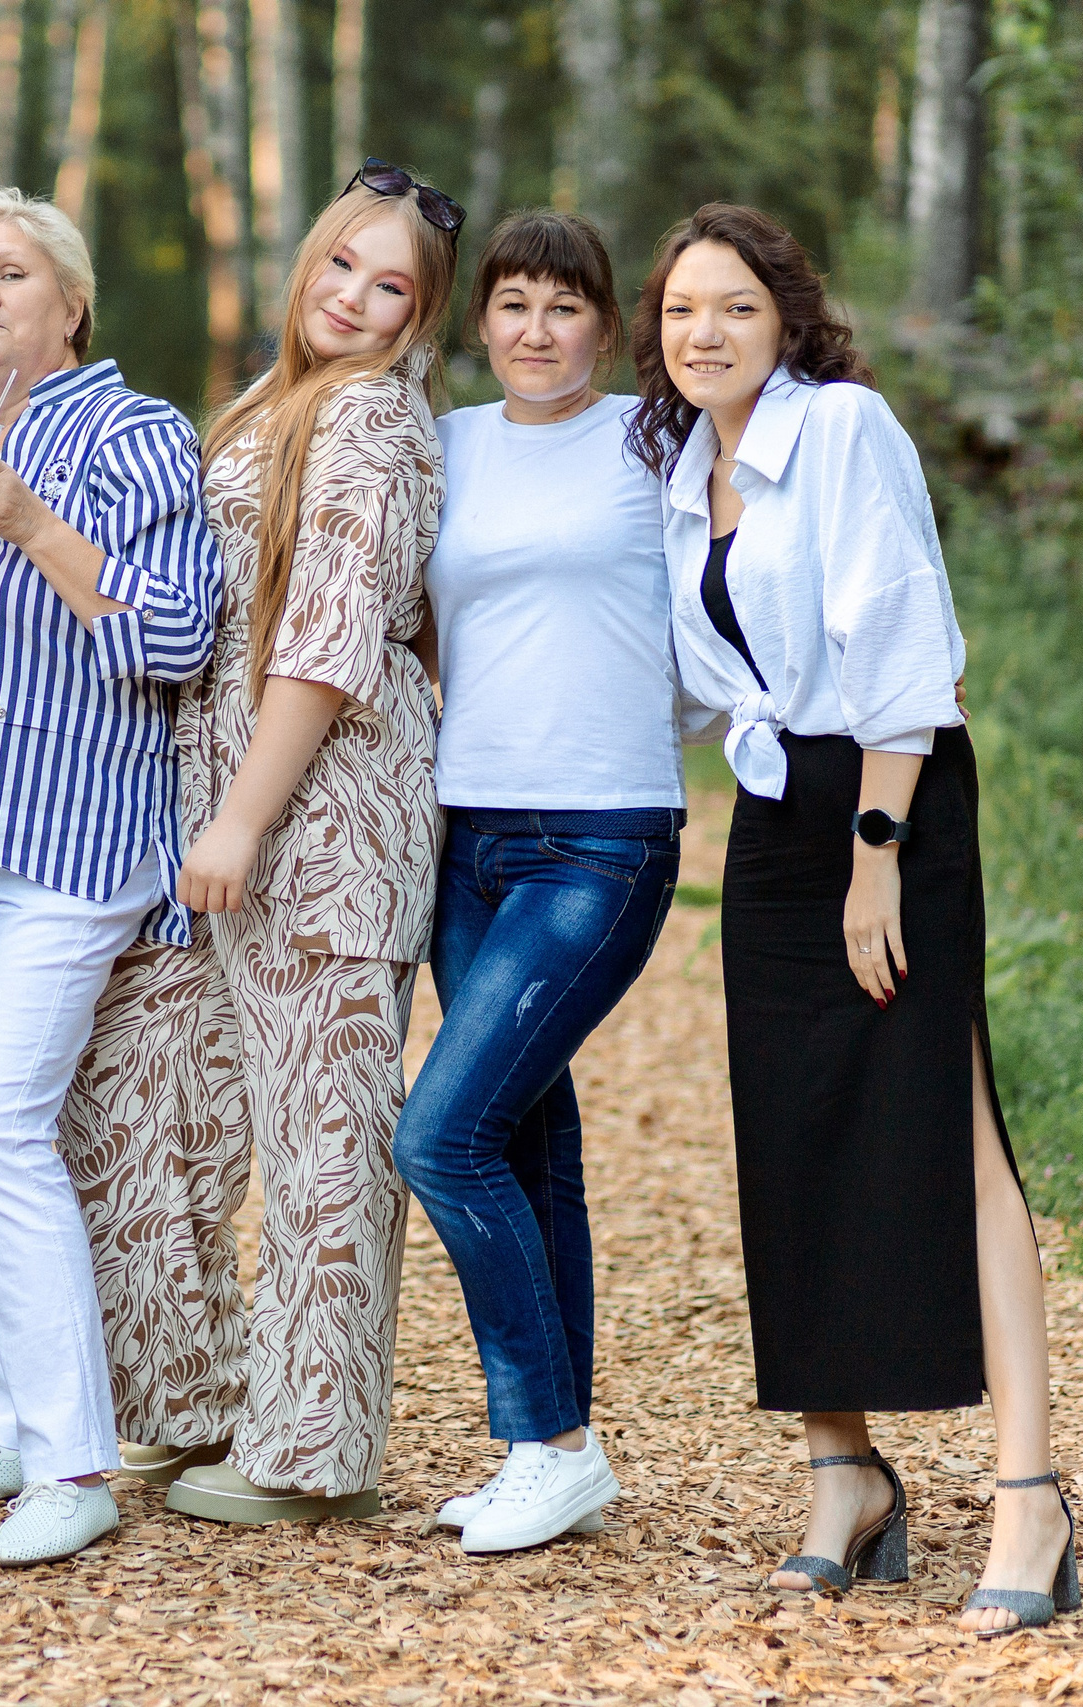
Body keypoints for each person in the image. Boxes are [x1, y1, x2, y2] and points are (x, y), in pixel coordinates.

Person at [636, 202, 1075, 1635]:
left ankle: (1029, 1498)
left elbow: (900, 642)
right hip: (775, 814)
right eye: (682, 309)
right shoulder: (680, 469)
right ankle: (846, 1477)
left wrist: (876, 855)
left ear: (788, 320)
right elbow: (693, 680)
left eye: (735, 308)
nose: (704, 333)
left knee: (952, 1127)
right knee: (794, 1133)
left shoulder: (840, 430)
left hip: (890, 797)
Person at [57, 160, 460, 1526]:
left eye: (389, 286)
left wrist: (242, 817)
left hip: (327, 828)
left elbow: (331, 641)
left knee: (320, 1140)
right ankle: (189, 1402)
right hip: (215, 826)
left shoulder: (374, 422)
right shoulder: (265, 403)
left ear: (419, 315)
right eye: (340, 263)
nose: (352, 297)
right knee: (135, 1097)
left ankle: (308, 1455)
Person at [0, 188, 219, 1566]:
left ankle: (75, 1465)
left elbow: (180, 633)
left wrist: (31, 522)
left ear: (70, 305)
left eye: (9, 272)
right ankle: (8, 1423)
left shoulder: (136, 433)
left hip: (68, 850)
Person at [386, 210, 683, 1555]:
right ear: (482, 321)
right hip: (469, 833)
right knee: (521, 1140)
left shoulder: (653, 442)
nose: (536, 330)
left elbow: (735, 586)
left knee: (440, 1138)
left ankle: (552, 1443)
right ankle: (553, 1453)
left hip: (602, 837)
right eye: (512, 304)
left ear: (605, 329)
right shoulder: (448, 446)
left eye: (565, 307)